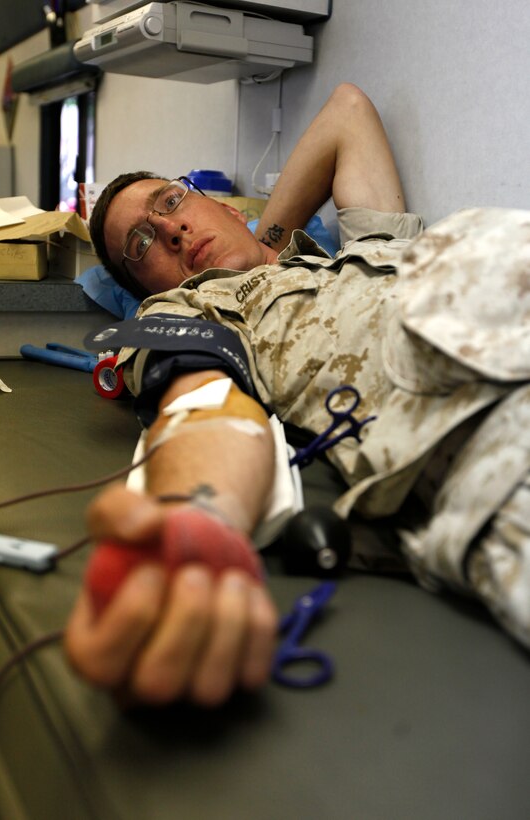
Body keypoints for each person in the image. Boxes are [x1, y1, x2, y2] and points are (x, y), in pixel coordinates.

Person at [65, 83, 530, 707]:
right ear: (144, 288)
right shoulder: (195, 310)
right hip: (493, 433)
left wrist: (266, 244)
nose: (171, 229)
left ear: (227, 207)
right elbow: (202, 408)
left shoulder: (364, 250)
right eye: (141, 246)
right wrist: (201, 521)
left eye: (171, 203)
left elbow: (348, 111)